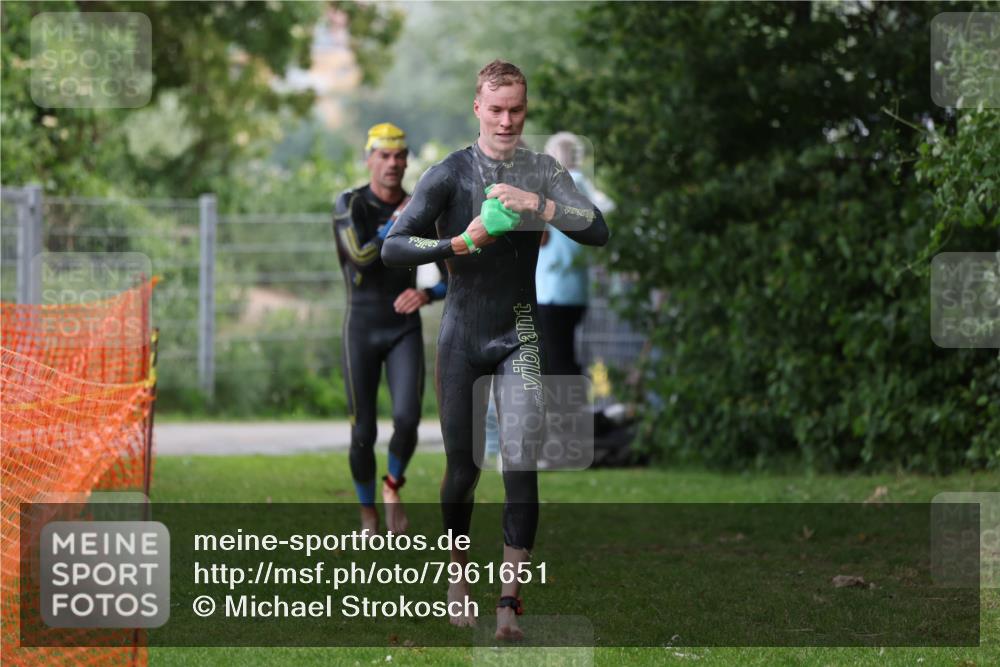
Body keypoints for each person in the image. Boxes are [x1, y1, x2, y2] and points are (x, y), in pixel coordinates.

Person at [382, 61, 609, 639]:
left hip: (522, 331)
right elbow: (394, 247)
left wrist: (542, 206)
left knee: (521, 461)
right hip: (462, 332)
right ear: (478, 108)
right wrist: (460, 241)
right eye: (497, 109)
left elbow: (596, 227)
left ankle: (509, 602)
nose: (508, 120)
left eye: (517, 110)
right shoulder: (448, 174)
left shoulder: (543, 169)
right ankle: (457, 578)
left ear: (524, 109)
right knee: (462, 471)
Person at [333, 122, 447, 535]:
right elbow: (363, 257)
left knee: (408, 418)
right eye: (384, 155)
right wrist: (397, 222)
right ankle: (367, 516)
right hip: (361, 327)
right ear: (369, 160)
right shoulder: (349, 203)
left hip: (403, 327)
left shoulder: (420, 206)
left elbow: (452, 270)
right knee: (362, 431)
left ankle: (393, 485)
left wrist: (428, 294)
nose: (393, 164)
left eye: (400, 156)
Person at [537, 132, 615, 377]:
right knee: (565, 354)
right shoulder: (586, 189)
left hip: (551, 288)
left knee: (555, 358)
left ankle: (568, 413)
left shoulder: (553, 186)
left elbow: (541, 237)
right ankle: (574, 411)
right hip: (577, 289)